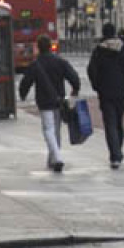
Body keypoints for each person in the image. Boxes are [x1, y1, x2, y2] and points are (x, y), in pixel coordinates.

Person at [19, 33, 81, 173]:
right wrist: (75, 89)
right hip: (58, 100)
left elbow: (26, 82)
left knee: (48, 130)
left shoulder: (36, 64)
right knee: (56, 130)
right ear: (50, 47)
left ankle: (57, 158)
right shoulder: (60, 61)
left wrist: (23, 94)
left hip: (44, 101)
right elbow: (73, 76)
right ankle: (52, 158)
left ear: (39, 48)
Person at [87, 21, 124, 169]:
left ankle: (115, 155)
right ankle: (118, 150)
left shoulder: (98, 51)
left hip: (105, 91)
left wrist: (97, 86)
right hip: (121, 90)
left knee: (110, 124)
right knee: (118, 122)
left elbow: (91, 70)